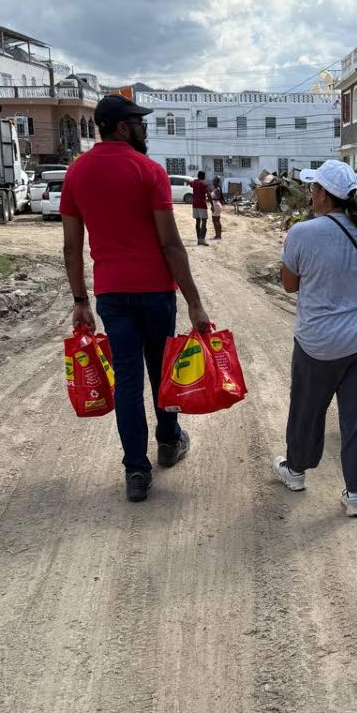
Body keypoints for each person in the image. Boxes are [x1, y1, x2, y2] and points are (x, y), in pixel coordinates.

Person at [60, 94, 211, 503]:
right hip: (155, 292)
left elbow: (72, 246)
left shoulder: (76, 173)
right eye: (140, 123)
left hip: (111, 294)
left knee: (128, 381)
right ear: (123, 127)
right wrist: (194, 302)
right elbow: (171, 244)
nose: (145, 129)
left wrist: (80, 299)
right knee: (161, 372)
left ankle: (136, 472)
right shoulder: (149, 171)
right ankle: (168, 441)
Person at [273, 160, 357, 518]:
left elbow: (289, 285)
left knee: (307, 410)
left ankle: (296, 471)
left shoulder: (302, 233)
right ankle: (355, 494)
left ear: (323, 194)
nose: (311, 194)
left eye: (314, 188)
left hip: (318, 343)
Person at [191, 170, 210, 246]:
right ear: (203, 176)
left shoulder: (194, 182)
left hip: (195, 204)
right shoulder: (204, 184)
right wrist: (212, 204)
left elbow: (190, 183)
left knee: (197, 222)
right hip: (202, 204)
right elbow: (208, 194)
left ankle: (198, 239)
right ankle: (202, 239)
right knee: (204, 222)